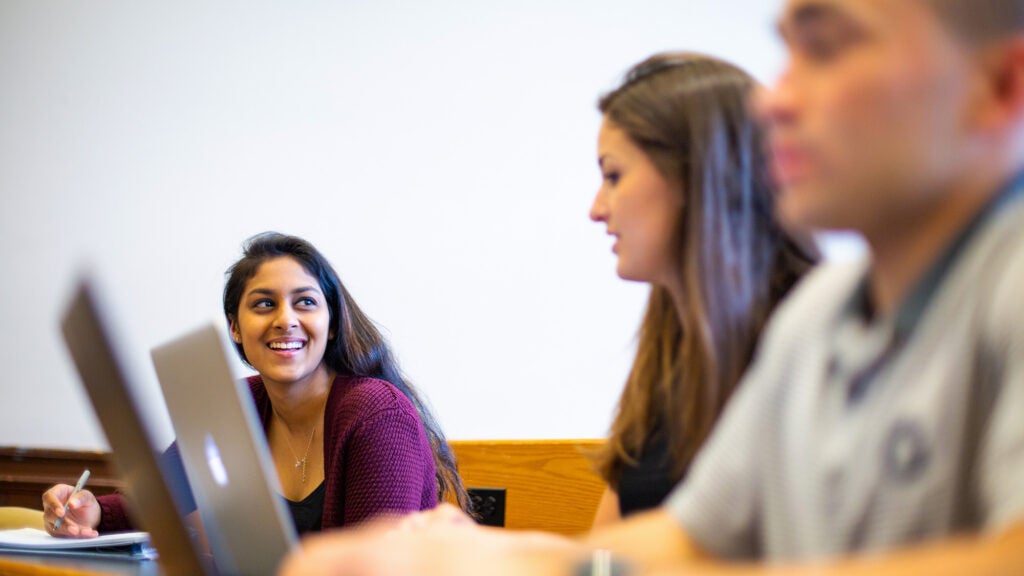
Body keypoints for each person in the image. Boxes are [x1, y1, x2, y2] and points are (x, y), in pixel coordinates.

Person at [279, 0, 1024, 573]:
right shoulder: (823, 319)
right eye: (787, 54)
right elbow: (687, 534)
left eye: (827, 50)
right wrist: (488, 556)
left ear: (1000, 85)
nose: (773, 101)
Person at [42, 232, 469, 537]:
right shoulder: (236, 403)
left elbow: (375, 565)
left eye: (305, 301)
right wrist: (89, 509)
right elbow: (159, 499)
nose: (285, 319)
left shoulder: (378, 415)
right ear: (234, 328)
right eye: (264, 304)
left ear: (332, 323)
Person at [585, 53, 816, 525]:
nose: (596, 208)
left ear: (695, 177)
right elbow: (605, 551)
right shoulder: (665, 351)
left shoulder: (808, 341)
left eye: (614, 176)